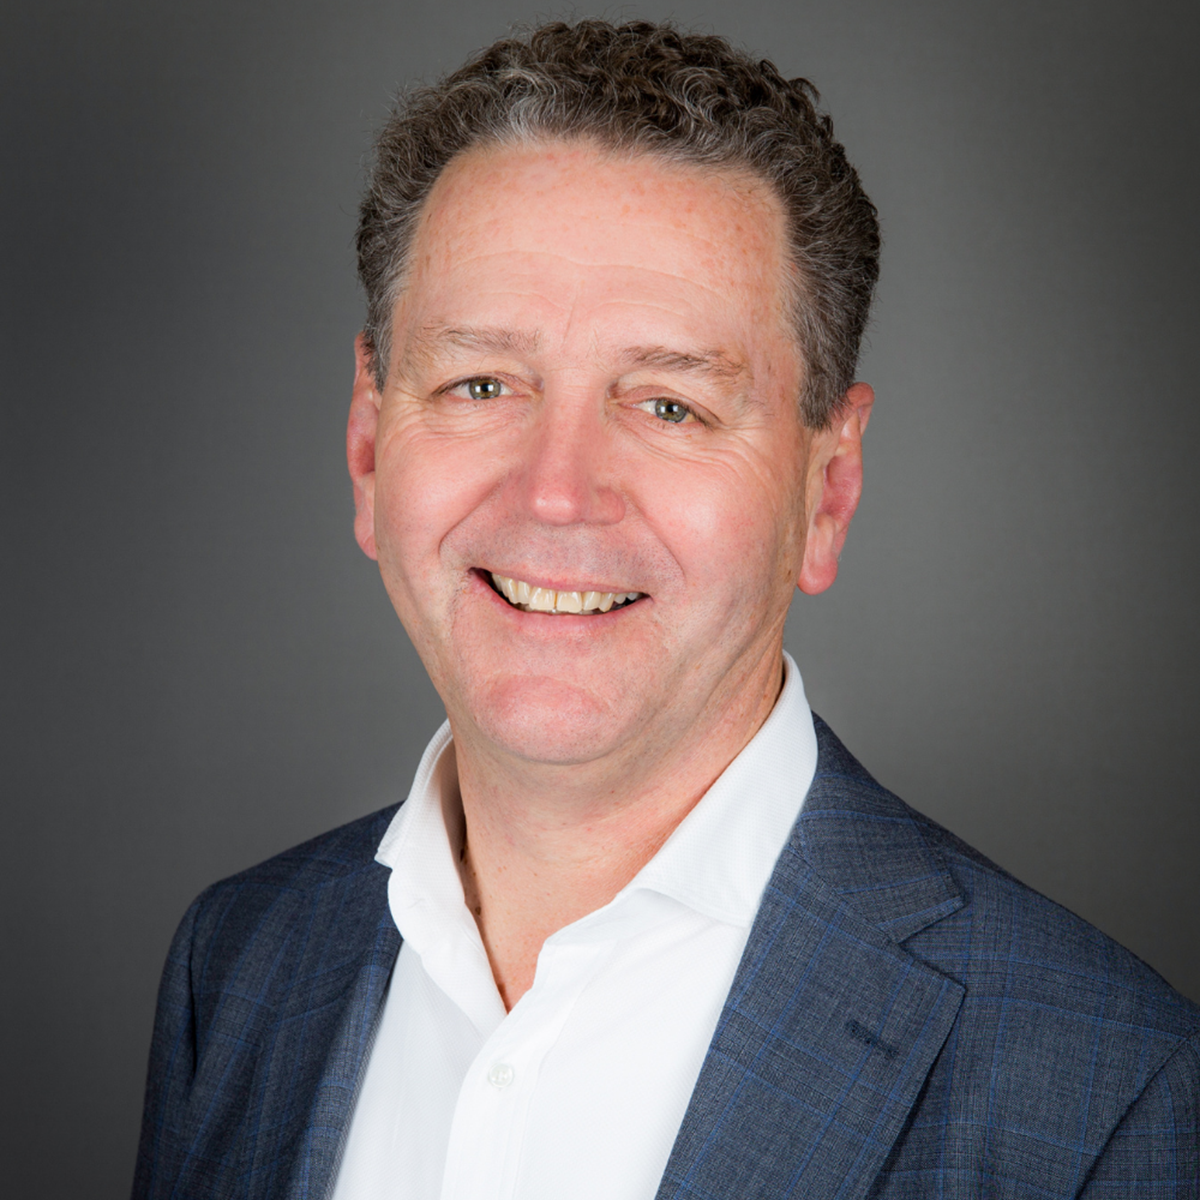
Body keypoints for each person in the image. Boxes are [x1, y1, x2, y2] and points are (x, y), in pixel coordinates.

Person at [131, 19, 1200, 1199]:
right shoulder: (236, 967)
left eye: (670, 405)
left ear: (827, 489)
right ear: (370, 442)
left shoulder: (1106, 1092)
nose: (556, 492)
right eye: (481, 382)